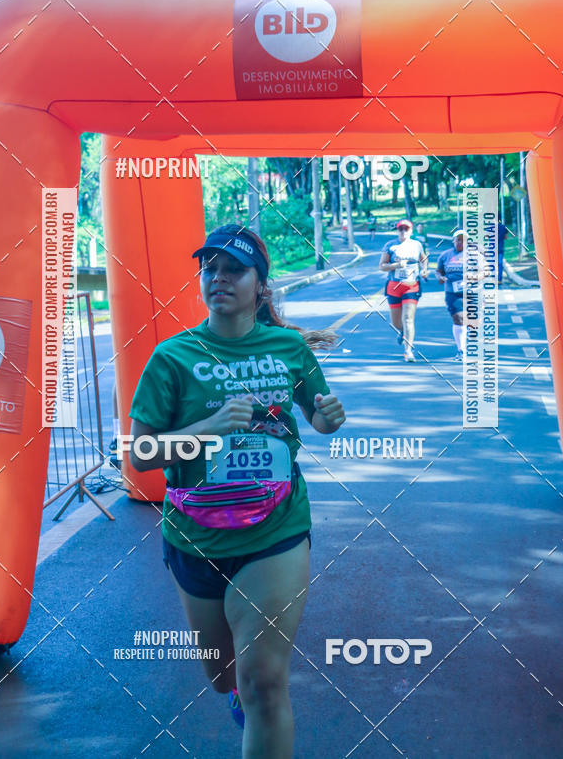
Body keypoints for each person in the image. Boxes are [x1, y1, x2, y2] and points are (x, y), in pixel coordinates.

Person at [127, 223, 346, 758]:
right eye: (210, 268)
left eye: (234, 269)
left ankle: (254, 700)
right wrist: (208, 429)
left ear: (260, 285)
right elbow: (140, 454)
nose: (219, 277)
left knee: (264, 681)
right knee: (224, 675)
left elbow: (318, 416)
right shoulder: (172, 358)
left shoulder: (288, 347)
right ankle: (237, 694)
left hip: (276, 529)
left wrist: (327, 417)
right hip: (195, 536)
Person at [379, 218, 429, 362]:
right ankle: (401, 331)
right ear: (397, 231)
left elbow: (424, 259)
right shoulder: (390, 245)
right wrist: (396, 265)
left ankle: (408, 351)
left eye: (406, 229)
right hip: (394, 286)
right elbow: (382, 266)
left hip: (411, 286)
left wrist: (424, 270)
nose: (403, 231)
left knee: (408, 318)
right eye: (400, 229)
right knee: (396, 322)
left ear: (411, 231)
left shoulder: (417, 245)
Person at [436, 229, 487, 360]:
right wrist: (440, 277)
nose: (460, 242)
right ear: (453, 241)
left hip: (473, 291)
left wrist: (474, 277)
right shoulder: (445, 255)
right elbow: (439, 271)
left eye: (463, 240)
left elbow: (485, 272)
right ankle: (461, 351)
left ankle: (471, 333)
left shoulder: (475, 255)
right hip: (453, 292)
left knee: (475, 322)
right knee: (459, 319)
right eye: (458, 240)